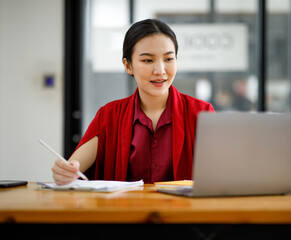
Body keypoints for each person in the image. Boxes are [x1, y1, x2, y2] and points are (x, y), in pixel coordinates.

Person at [52, 19, 215, 185]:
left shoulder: (202, 113)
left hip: (184, 211)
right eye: (148, 60)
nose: (160, 70)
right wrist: (65, 172)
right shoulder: (109, 115)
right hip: (124, 210)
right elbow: (73, 167)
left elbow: (222, 173)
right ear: (128, 65)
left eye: (168, 59)